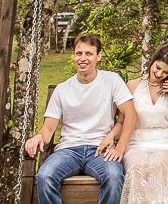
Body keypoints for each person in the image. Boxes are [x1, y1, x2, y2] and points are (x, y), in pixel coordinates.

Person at [24, 33, 138, 204]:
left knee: (114, 177)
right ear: (73, 56)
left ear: (98, 56)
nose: (83, 58)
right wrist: (39, 136)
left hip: (100, 150)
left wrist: (119, 148)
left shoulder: (111, 80)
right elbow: (47, 129)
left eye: (88, 54)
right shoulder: (62, 89)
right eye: (79, 53)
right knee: (44, 176)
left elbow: (131, 114)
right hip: (68, 150)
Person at [113, 44, 168, 204]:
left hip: (167, 146)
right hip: (137, 144)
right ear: (152, 62)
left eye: (165, 72)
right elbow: (122, 121)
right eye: (157, 68)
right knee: (137, 166)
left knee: (157, 165)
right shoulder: (133, 86)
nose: (159, 74)